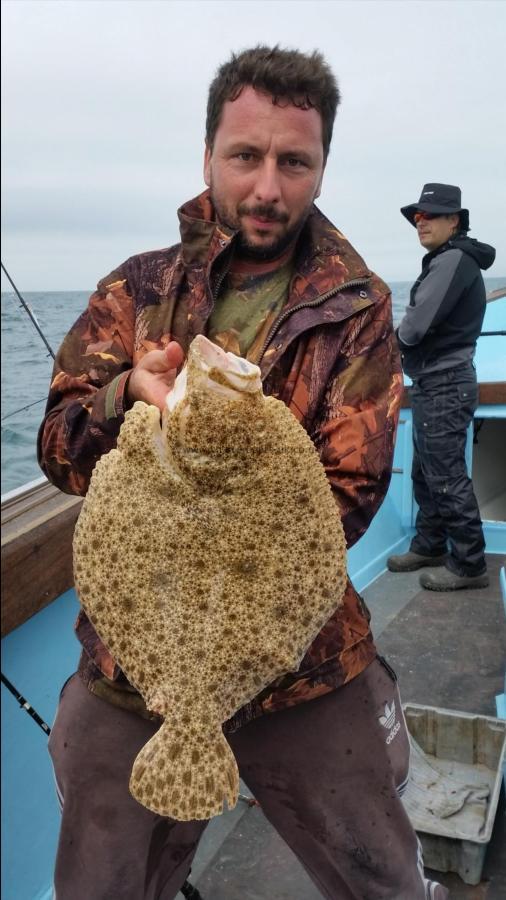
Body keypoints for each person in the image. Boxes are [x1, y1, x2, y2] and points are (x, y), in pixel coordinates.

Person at [38, 47, 448, 900]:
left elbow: (353, 490)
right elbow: (58, 447)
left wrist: (224, 527)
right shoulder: (138, 289)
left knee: (381, 878)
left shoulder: (360, 305)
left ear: (322, 166)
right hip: (131, 663)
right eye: (246, 156)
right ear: (208, 156)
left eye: (294, 162)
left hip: (306, 667)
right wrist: (125, 398)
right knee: (101, 886)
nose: (268, 187)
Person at [387, 183, 496, 591]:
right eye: (418, 216)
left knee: (445, 474)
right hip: (438, 383)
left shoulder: (452, 260)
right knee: (426, 470)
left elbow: (413, 328)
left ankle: (469, 563)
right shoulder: (449, 259)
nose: (421, 221)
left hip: (446, 384)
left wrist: (381, 348)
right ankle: (431, 543)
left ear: (455, 220)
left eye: (431, 215)